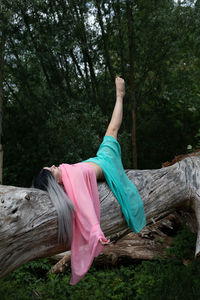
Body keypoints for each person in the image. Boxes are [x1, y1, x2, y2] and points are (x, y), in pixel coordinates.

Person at [32, 76, 146, 285]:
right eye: (51, 169)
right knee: (112, 131)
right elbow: (83, 205)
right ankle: (120, 95)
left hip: (95, 161)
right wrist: (96, 232)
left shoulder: (66, 179)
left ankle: (120, 96)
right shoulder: (70, 178)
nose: (54, 165)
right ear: (54, 182)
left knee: (112, 131)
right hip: (105, 162)